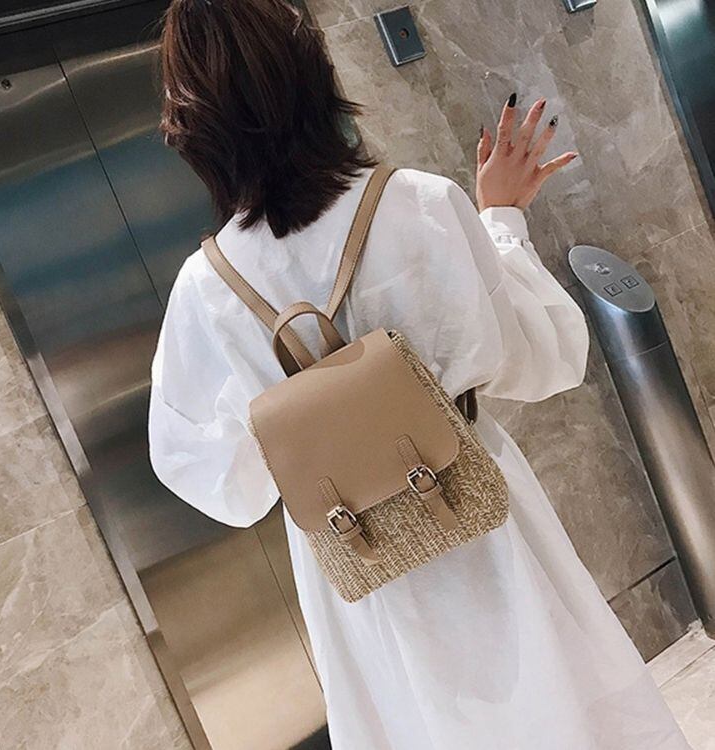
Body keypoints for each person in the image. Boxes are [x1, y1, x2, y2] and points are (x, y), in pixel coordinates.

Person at [148, 1, 692, 747]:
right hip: (476, 513)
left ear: (193, 127)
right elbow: (542, 359)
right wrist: (501, 221)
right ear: (314, 79)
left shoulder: (204, 291)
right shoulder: (417, 205)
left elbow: (220, 485)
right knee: (552, 706)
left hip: (357, 561)